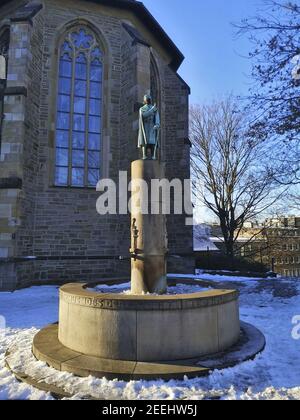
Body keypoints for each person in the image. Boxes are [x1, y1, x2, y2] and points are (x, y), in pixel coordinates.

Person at [138, 94, 160, 160]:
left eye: (149, 99)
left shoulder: (154, 109)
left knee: (152, 142)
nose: (148, 100)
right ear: (144, 100)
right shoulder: (142, 109)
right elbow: (143, 115)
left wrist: (157, 124)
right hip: (145, 127)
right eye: (146, 99)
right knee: (145, 141)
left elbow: (157, 116)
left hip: (152, 127)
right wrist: (152, 110)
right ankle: (144, 155)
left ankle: (153, 155)